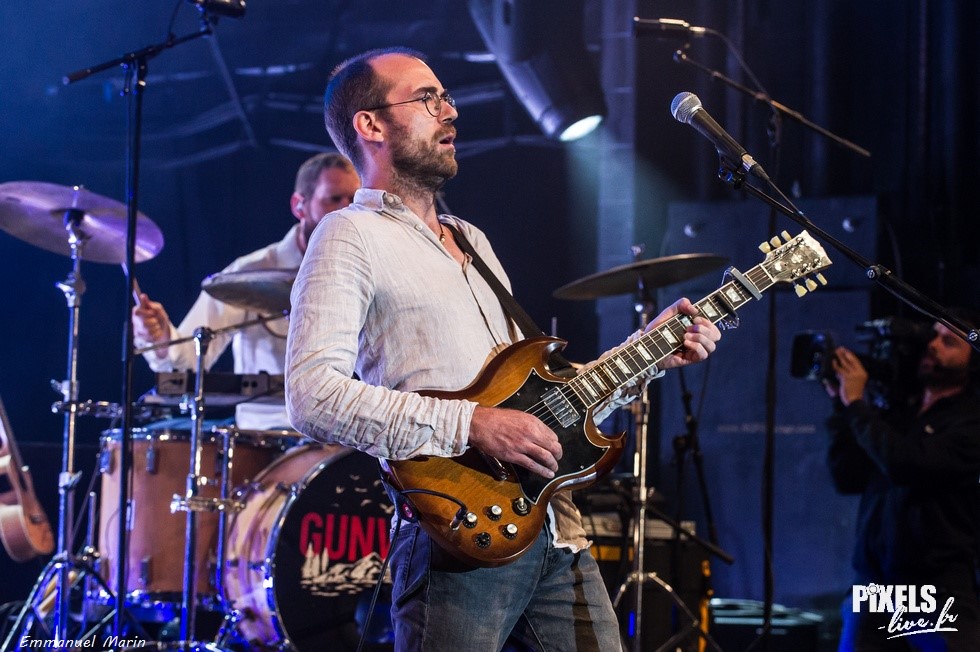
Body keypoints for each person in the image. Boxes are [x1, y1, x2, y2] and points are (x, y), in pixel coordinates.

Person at [284, 47, 722, 651]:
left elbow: (538, 407)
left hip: (554, 530)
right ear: (371, 124)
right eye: (427, 99)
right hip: (456, 539)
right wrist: (474, 424)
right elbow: (311, 397)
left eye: (446, 97)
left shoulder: (473, 240)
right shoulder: (349, 234)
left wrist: (650, 353)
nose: (450, 111)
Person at [133, 152, 360, 428]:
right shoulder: (249, 272)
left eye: (354, 199)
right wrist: (160, 337)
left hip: (345, 436)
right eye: (334, 199)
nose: (348, 210)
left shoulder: (367, 270)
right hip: (266, 432)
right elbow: (187, 362)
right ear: (299, 206)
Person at [825, 315, 980, 651]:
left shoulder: (970, 421)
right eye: (933, 336)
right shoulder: (900, 411)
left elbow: (906, 465)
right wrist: (842, 406)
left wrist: (857, 406)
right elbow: (847, 476)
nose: (933, 346)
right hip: (875, 585)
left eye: (949, 342)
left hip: (937, 589)